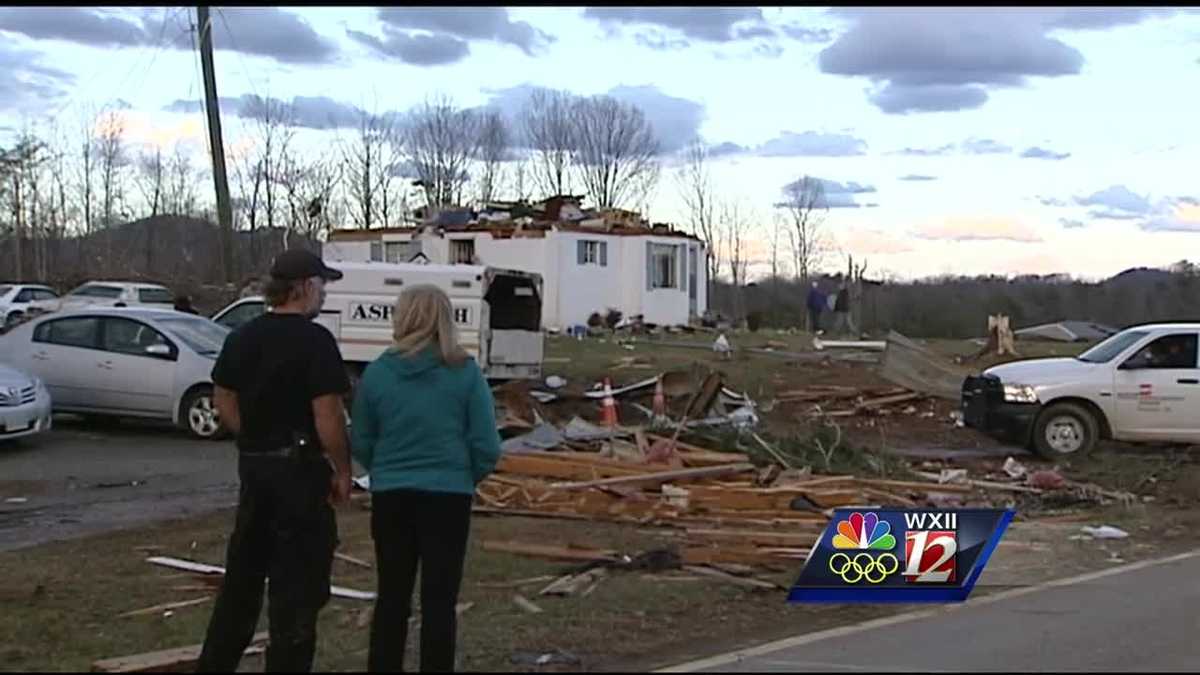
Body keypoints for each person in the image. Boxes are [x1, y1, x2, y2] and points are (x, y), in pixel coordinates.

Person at [196, 249, 353, 673]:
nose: (323, 295)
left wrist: (248, 435)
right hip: (299, 474)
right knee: (296, 590)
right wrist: (342, 469)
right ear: (303, 287)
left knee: (242, 580)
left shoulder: (242, 336)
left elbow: (222, 396)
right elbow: (328, 413)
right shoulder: (315, 341)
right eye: (321, 286)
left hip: (256, 469)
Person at [351, 284, 501, 673]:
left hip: (393, 495)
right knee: (439, 601)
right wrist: (465, 476)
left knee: (392, 597)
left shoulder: (379, 373)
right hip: (448, 496)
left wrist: (383, 469)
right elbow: (486, 444)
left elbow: (362, 439)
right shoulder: (464, 373)